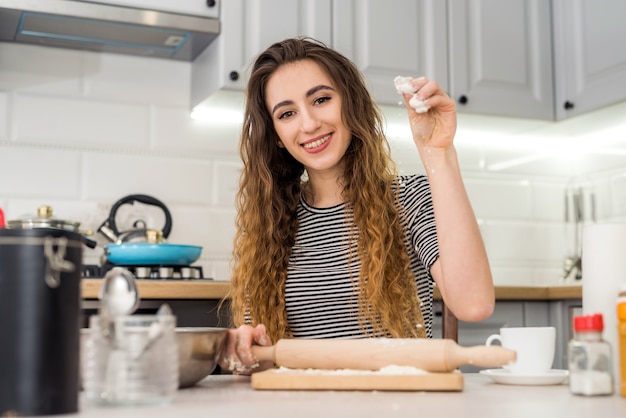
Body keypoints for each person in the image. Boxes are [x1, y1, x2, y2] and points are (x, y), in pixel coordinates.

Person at [217, 37, 494, 374]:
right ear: (276, 134)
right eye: (287, 113)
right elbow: (263, 356)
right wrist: (246, 350)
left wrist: (438, 151)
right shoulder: (269, 224)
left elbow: (474, 304)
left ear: (351, 102)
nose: (308, 124)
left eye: (321, 99)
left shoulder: (408, 200)